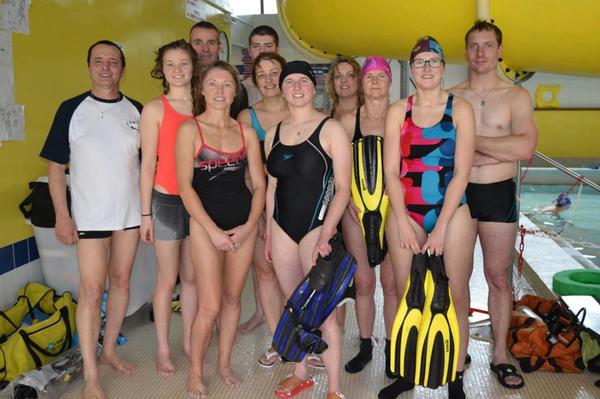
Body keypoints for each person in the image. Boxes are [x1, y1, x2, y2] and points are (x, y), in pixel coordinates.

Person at [40, 40, 143, 399]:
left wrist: (146, 214)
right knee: (90, 289)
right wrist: (62, 215)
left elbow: (147, 168)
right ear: (89, 67)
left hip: (128, 216)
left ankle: (109, 349)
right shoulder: (71, 109)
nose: (105, 67)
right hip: (89, 216)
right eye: (98, 61)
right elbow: (55, 167)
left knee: (122, 281)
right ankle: (90, 371)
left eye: (112, 62)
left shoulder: (138, 112)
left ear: (122, 69)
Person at [380, 36, 475, 399]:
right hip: (408, 209)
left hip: (452, 211)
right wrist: (401, 220)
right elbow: (391, 172)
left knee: (456, 294)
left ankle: (456, 377)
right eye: (419, 62)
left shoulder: (460, 109)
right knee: (410, 294)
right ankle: (407, 372)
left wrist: (444, 226)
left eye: (432, 61)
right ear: (412, 69)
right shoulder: (397, 111)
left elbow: (462, 172)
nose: (426, 68)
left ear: (443, 67)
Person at [452, 20, 538, 390]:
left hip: (498, 195)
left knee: (499, 277)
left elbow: (524, 149)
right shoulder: (452, 96)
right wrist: (495, 149)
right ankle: (458, 352)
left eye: (488, 45)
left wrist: (471, 145)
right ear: (466, 51)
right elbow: (444, 152)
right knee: (455, 279)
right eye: (474, 46)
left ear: (500, 50)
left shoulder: (516, 97)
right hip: (459, 196)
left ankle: (500, 354)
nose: (481, 53)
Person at [177, 61, 266, 399]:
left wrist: (248, 227)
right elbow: (185, 187)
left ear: (235, 91)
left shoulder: (244, 133)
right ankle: (196, 372)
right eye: (212, 84)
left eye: (226, 85)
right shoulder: (190, 130)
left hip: (241, 222)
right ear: (201, 90)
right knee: (210, 305)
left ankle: (224, 362)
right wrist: (212, 230)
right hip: (204, 225)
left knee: (232, 299)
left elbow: (258, 186)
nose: (219, 91)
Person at [264, 60, 351, 399]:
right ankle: (299, 371)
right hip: (282, 229)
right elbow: (273, 187)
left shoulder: (330, 129)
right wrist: (270, 232)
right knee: (294, 305)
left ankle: (333, 388)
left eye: (303, 81)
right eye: (290, 82)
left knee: (324, 311)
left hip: (317, 228)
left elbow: (342, 187)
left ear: (313, 88)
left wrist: (328, 231)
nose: (297, 87)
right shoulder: (272, 133)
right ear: (281, 88)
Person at [139, 39, 197, 376]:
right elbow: (147, 164)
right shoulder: (154, 110)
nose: (177, 70)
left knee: (190, 278)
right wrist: (145, 213)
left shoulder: (205, 105)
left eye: (183, 63)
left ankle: (189, 342)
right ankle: (162, 348)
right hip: (166, 201)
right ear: (161, 70)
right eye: (170, 64)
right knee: (166, 280)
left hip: (198, 202)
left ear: (193, 67)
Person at [338, 56, 398, 376]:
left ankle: (392, 348)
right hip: (355, 210)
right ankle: (364, 345)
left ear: (389, 81)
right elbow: (339, 167)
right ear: (362, 83)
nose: (375, 82)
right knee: (363, 282)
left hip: (393, 208)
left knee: (390, 282)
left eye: (380, 76)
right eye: (369, 77)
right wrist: (345, 196)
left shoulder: (401, 117)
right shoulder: (350, 121)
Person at [237, 52, 288, 366]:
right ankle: (279, 339)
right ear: (254, 81)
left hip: (298, 204)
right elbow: (245, 170)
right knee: (266, 271)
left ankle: (302, 335)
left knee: (295, 276)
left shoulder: (301, 108)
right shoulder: (246, 117)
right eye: (263, 74)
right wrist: (257, 215)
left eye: (275, 72)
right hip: (258, 200)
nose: (269, 80)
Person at [189, 20, 248, 118]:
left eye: (211, 43)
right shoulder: (181, 85)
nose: (205, 49)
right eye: (198, 43)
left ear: (219, 47)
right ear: (189, 46)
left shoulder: (236, 88)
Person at [243, 24, 280, 106]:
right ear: (249, 51)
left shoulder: (290, 85)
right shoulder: (242, 89)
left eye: (268, 46)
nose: (262, 51)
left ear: (277, 49)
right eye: (256, 46)